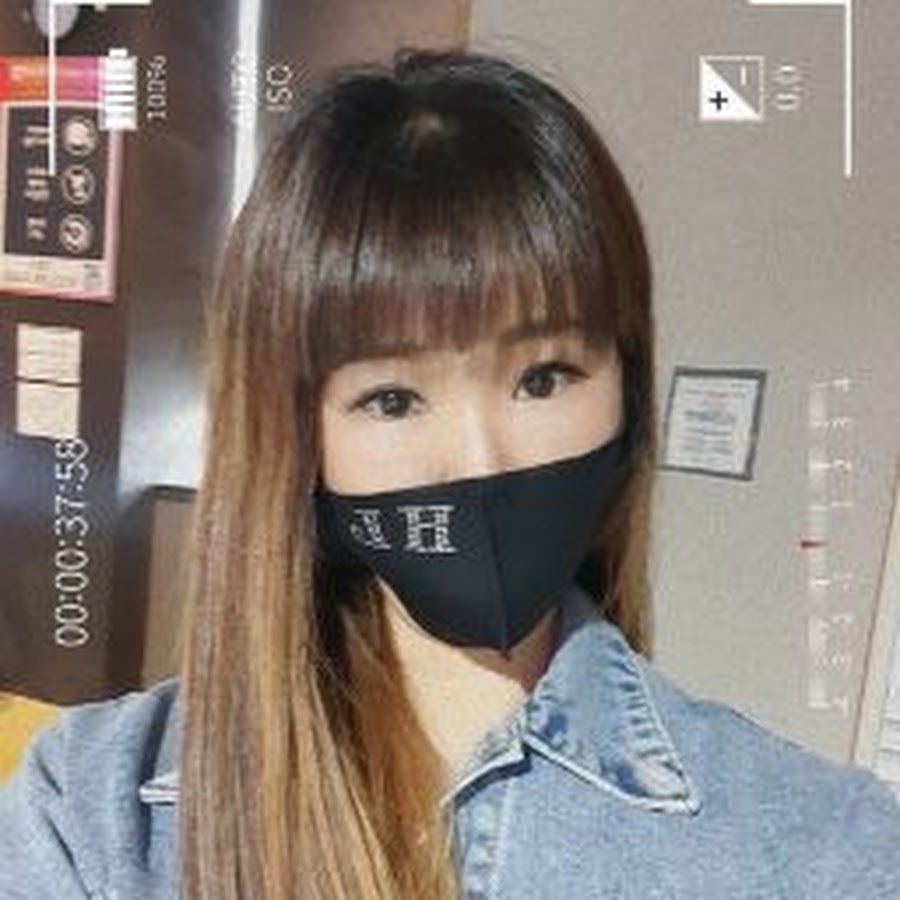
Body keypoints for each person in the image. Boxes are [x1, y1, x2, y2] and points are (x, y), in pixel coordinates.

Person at [1, 48, 898, 900]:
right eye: (392, 399)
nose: (480, 461)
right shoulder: (92, 813)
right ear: (299, 442)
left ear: (626, 392)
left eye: (543, 378)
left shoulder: (819, 846)